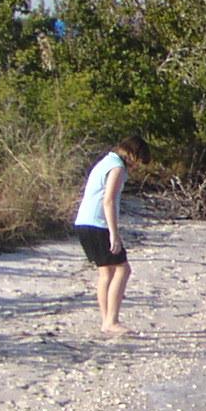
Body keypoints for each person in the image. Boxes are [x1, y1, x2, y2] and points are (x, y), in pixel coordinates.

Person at [73, 134, 151, 335]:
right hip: (97, 224)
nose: (137, 167)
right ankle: (111, 320)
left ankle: (106, 319)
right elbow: (108, 200)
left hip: (84, 222)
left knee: (106, 272)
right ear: (133, 155)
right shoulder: (117, 167)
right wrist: (114, 234)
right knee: (122, 270)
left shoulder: (106, 161)